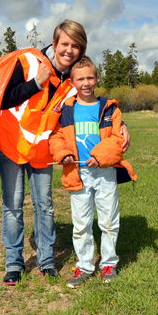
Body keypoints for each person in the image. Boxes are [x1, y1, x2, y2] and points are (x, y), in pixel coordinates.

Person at [0, 20, 129, 286]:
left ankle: (46, 261)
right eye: (64, 44)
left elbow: (92, 107)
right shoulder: (29, 62)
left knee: (44, 204)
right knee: (14, 204)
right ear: (54, 43)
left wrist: (122, 125)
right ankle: (14, 263)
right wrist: (35, 83)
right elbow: (3, 98)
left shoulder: (73, 78)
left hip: (42, 147)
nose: (69, 50)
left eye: (75, 46)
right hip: (10, 143)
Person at [49, 56, 137, 288]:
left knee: (108, 221)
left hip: (105, 173)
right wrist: (63, 153)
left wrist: (99, 157)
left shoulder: (109, 108)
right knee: (81, 224)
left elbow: (118, 139)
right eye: (80, 79)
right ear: (72, 81)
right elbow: (56, 137)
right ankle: (84, 265)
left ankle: (108, 263)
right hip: (77, 174)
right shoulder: (66, 109)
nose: (86, 82)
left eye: (90, 77)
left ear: (97, 78)